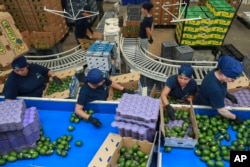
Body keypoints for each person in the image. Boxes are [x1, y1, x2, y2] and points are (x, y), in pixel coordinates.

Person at [194, 55, 243, 124]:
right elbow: (221, 110)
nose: (233, 81)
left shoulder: (215, 72)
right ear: (224, 74)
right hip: (204, 108)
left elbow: (220, 86)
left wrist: (227, 94)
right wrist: (235, 117)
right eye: (232, 79)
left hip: (203, 98)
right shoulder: (215, 89)